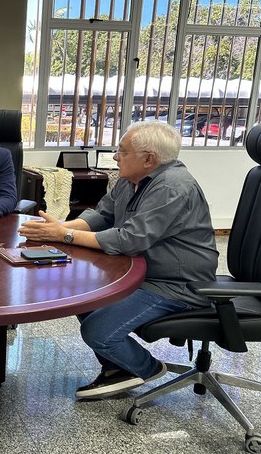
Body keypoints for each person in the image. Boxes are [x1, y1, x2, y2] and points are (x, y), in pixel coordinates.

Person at [18, 120, 218, 399]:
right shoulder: (131, 180)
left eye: (122, 151)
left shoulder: (172, 187)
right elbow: (102, 215)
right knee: (84, 295)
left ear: (149, 159)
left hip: (176, 284)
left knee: (97, 331)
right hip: (140, 272)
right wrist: (60, 228)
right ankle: (118, 369)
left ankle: (147, 368)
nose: (115, 156)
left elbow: (128, 239)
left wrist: (63, 236)